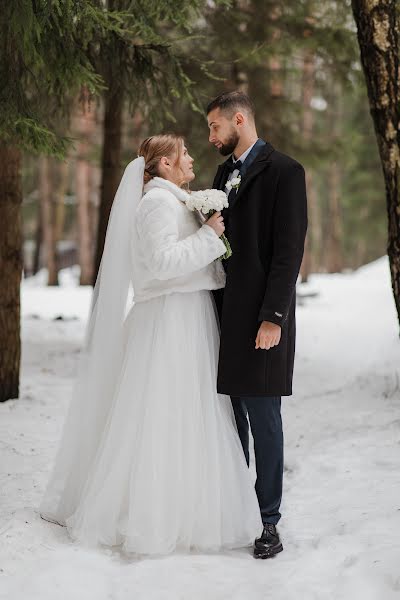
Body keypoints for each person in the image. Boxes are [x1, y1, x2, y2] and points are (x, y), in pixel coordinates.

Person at [39, 133, 262, 556]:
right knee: (162, 412)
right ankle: (149, 516)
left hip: (186, 315)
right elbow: (161, 264)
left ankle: (187, 509)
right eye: (184, 154)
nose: (192, 157)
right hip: (168, 320)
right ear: (164, 164)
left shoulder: (173, 199)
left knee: (188, 412)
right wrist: (210, 236)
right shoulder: (157, 204)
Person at [207, 91, 308, 559]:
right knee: (233, 420)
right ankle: (236, 512)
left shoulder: (286, 172)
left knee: (265, 420)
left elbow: (288, 253)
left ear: (239, 120)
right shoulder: (223, 174)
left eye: (215, 127)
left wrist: (274, 318)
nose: (211, 137)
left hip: (264, 319)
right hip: (227, 314)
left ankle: (268, 522)